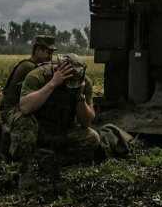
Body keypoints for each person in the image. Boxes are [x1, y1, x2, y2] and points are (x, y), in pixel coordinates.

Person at [10, 53, 101, 189]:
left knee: (92, 138)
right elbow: (25, 107)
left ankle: (51, 163)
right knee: (23, 120)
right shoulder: (38, 76)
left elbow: (86, 122)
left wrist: (80, 96)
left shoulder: (83, 83)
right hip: (36, 129)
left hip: (59, 129)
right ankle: (25, 173)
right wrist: (53, 84)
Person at [0, 35, 56, 124]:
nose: (50, 57)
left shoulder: (29, 64)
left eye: (52, 54)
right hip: (10, 109)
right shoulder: (30, 67)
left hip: (16, 106)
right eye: (48, 53)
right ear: (37, 50)